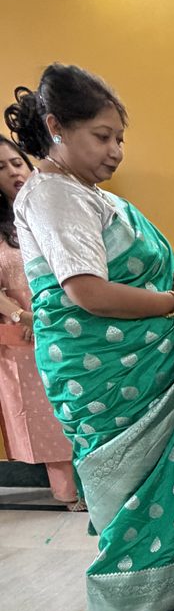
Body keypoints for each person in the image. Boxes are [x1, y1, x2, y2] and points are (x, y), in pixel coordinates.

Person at [5, 63, 174, 611]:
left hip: (145, 360)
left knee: (162, 475)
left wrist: (169, 286)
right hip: (108, 369)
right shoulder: (54, 195)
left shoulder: (88, 194)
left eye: (120, 139)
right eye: (103, 136)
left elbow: (122, 276)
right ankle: (140, 590)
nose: (116, 151)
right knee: (138, 480)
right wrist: (172, 305)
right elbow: (86, 292)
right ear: (57, 127)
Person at [0, 135, 82, 507]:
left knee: (82, 403)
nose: (13, 171)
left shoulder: (52, 207)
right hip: (26, 333)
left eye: (16, 161)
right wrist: (22, 314)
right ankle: (68, 493)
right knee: (46, 414)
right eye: (0, 168)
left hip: (71, 324)